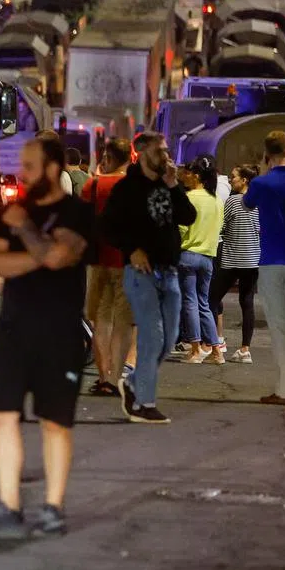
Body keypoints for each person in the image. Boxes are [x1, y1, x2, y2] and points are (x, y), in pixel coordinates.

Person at [0, 138, 92, 539]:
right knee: (3, 417)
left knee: (55, 424)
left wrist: (27, 234)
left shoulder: (76, 212)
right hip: (12, 331)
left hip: (59, 333)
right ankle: (9, 507)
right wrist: (39, 254)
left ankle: (53, 507)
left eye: (31, 166)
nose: (23, 173)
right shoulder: (12, 210)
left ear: (53, 168)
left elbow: (62, 257)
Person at [102, 132, 197, 424]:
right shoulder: (127, 189)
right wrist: (131, 251)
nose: (167, 156)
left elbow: (188, 216)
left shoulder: (168, 185)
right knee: (153, 337)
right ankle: (144, 404)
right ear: (142, 153)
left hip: (170, 272)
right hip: (141, 275)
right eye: (161, 151)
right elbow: (107, 227)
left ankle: (131, 384)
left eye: (167, 150)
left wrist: (174, 186)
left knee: (168, 341)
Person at [243, 131, 285, 405]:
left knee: (280, 328)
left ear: (267, 154)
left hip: (272, 262)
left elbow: (248, 204)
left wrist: (262, 169)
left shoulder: (261, 183)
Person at [82, 138, 134, 396]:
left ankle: (103, 377)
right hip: (128, 262)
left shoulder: (93, 185)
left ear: (108, 157)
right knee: (123, 322)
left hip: (99, 260)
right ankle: (116, 377)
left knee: (101, 320)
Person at [210, 164, 260, 365]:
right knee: (247, 303)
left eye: (233, 177)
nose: (230, 180)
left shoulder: (232, 201)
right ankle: (245, 349)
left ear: (245, 180)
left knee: (210, 299)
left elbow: (221, 226)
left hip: (232, 259)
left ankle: (213, 344)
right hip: (252, 260)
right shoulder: (260, 203)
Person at [178, 157, 224, 365]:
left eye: (189, 173)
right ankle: (216, 350)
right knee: (204, 303)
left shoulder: (189, 198)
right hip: (208, 256)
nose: (185, 176)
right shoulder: (216, 200)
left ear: (197, 176)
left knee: (190, 302)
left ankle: (196, 350)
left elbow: (181, 228)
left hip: (188, 255)